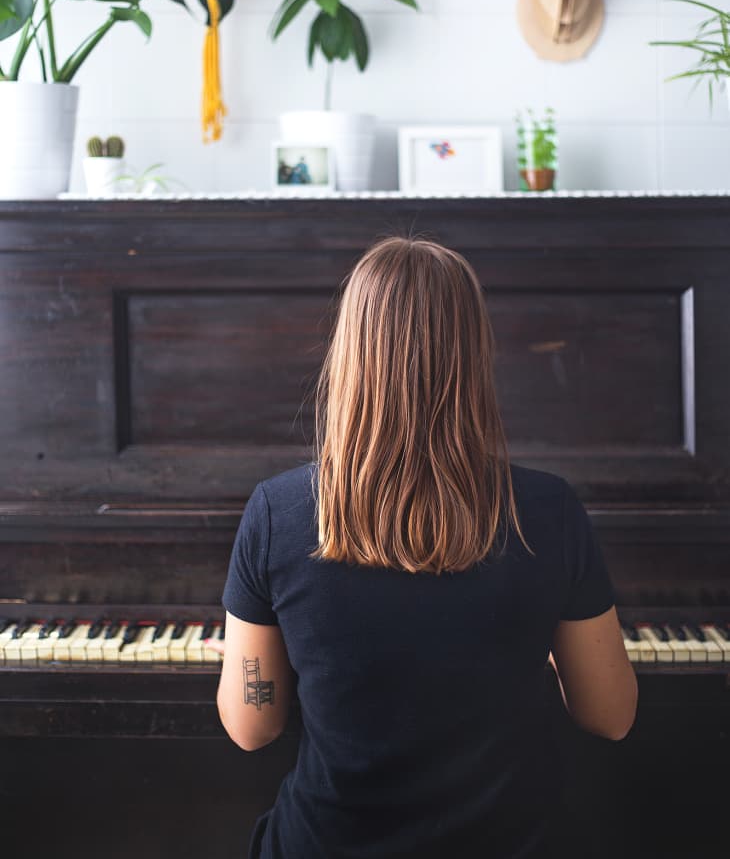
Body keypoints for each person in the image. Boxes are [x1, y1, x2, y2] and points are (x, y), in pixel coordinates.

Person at [210, 236, 637, 858]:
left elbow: (252, 728)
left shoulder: (278, 510)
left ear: (351, 354)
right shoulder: (550, 508)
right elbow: (611, 716)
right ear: (475, 354)